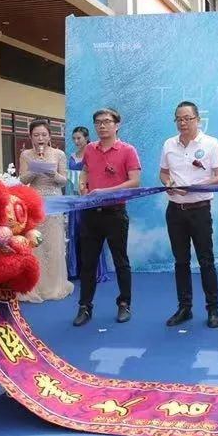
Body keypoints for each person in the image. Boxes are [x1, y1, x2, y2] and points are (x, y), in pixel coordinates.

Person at [160, 101, 218, 329]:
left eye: (187, 118)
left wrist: (194, 187)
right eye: (179, 119)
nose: (183, 123)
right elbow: (163, 173)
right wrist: (168, 183)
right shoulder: (169, 144)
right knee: (181, 261)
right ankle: (184, 308)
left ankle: (213, 309)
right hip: (175, 210)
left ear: (198, 119)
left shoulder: (211, 143)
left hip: (200, 210)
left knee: (206, 260)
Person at [74, 108, 141, 327]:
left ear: (117, 125)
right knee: (88, 263)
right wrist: (82, 184)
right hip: (91, 213)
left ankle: (124, 303)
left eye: (107, 121)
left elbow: (135, 182)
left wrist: (105, 192)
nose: (102, 126)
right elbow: (85, 171)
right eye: (98, 122)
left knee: (121, 261)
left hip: (115, 213)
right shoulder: (90, 149)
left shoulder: (128, 150)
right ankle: (85, 306)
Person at [17, 119, 74, 303]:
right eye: (36, 135)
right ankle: (36, 285)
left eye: (43, 134)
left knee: (54, 243)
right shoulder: (26, 154)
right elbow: (22, 179)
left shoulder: (59, 154)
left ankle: (55, 285)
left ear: (49, 136)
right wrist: (34, 170)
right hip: (35, 201)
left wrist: (53, 174)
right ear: (30, 137)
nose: (40, 138)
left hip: (54, 201)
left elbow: (64, 180)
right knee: (36, 243)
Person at [66, 126, 110, 283]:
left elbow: (99, 175)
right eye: (74, 138)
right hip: (74, 200)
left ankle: (95, 270)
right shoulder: (72, 156)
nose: (76, 141)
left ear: (86, 138)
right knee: (74, 233)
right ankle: (76, 269)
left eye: (79, 138)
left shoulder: (93, 153)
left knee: (91, 234)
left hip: (89, 198)